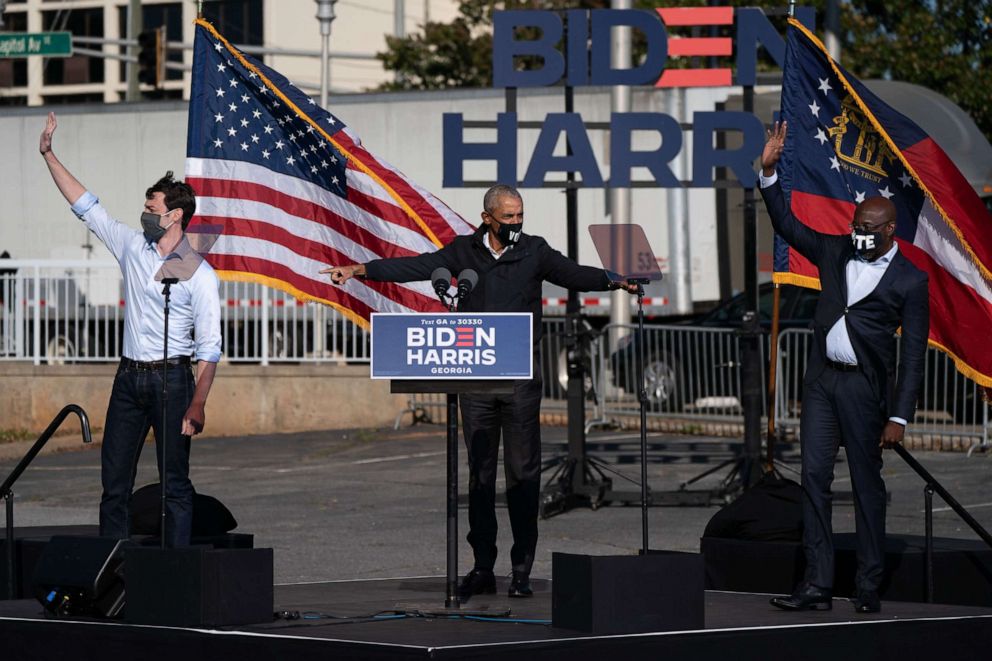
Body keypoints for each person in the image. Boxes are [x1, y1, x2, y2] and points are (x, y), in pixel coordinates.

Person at [323, 184, 636, 598]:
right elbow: (419, 266)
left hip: (520, 382)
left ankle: (521, 569)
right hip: (475, 384)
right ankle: (482, 567)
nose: (516, 223)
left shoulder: (534, 250)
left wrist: (613, 279)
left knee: (523, 477)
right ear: (487, 217)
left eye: (520, 215)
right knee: (481, 477)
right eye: (508, 217)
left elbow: (572, 274)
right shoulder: (463, 252)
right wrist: (361, 269)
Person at [760, 122, 929, 614]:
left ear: (889, 230)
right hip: (822, 384)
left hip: (865, 391)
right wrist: (769, 173)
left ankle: (869, 583)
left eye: (867, 229)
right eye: (855, 225)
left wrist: (899, 417)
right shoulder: (835, 250)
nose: (857, 234)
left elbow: (914, 352)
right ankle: (817, 584)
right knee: (813, 476)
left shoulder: (910, 281)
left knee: (865, 484)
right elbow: (789, 227)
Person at [39, 112, 222, 548]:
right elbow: (86, 206)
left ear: (174, 215)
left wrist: (197, 404)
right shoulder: (131, 246)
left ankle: (175, 572)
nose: (144, 213)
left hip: (172, 380)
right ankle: (112, 573)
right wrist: (49, 154)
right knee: (114, 484)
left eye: (151, 208)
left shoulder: (198, 273)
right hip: (128, 378)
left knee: (174, 484)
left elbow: (210, 348)